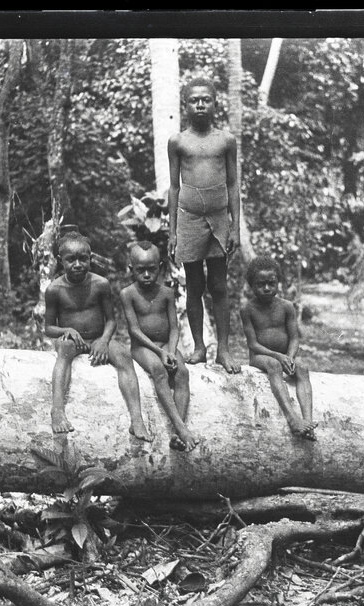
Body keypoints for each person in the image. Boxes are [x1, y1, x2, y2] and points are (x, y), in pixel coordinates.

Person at [44, 232, 151, 441]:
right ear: (60, 261)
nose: (77, 264)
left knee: (123, 355)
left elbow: (111, 320)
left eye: (83, 259)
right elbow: (48, 328)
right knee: (64, 349)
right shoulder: (54, 289)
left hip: (97, 338)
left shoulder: (100, 284)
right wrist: (67, 331)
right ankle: (57, 411)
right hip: (71, 341)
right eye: (71, 259)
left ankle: (137, 419)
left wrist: (103, 340)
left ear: (90, 258)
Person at [167, 77, 242, 375]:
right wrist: (172, 232)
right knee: (194, 285)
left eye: (205, 99)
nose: (200, 104)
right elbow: (173, 187)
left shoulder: (225, 140)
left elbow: (234, 184)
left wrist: (235, 226)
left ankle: (223, 349)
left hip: (219, 219)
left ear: (215, 103)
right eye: (194, 100)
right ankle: (199, 347)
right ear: (185, 106)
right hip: (189, 219)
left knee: (219, 285)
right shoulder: (178, 141)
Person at [120, 241, 198, 452]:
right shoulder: (128, 294)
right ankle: (181, 428)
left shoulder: (166, 293)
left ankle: (176, 434)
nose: (146, 275)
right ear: (131, 270)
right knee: (158, 370)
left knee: (182, 372)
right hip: (142, 347)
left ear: (161, 267)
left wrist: (171, 351)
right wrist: (160, 352)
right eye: (140, 270)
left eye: (151, 269)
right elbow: (134, 331)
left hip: (166, 344)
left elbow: (174, 327)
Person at [240, 255, 317, 441]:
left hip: (284, 356)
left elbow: (294, 338)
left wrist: (289, 357)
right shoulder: (248, 309)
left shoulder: (287, 307)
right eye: (261, 284)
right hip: (260, 356)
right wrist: (279, 357)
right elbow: (253, 344)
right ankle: (292, 419)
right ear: (252, 285)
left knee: (303, 369)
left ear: (278, 283)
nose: (267, 288)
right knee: (274, 365)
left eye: (271, 283)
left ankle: (308, 422)